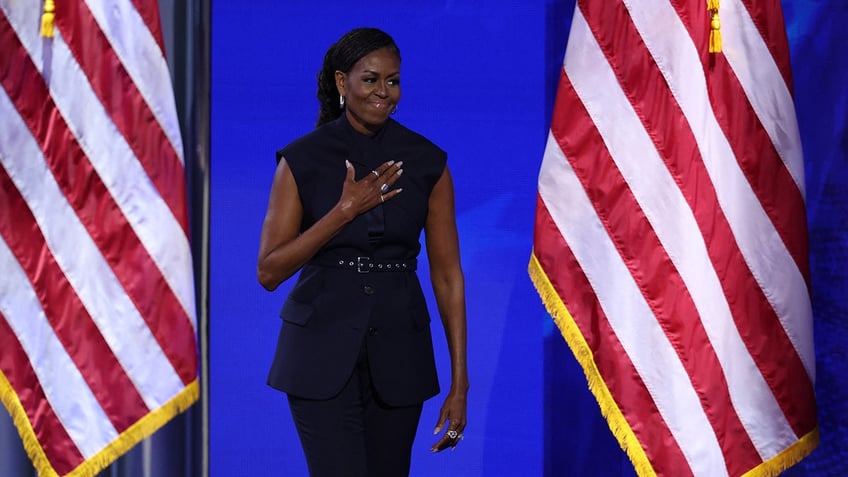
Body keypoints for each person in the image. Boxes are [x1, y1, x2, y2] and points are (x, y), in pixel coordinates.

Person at [256, 27, 469, 476]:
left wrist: (460, 381)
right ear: (341, 83)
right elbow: (270, 271)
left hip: (400, 353)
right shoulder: (302, 159)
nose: (384, 92)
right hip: (319, 353)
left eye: (393, 81)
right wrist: (343, 212)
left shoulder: (427, 161)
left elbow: (448, 276)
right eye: (370, 79)